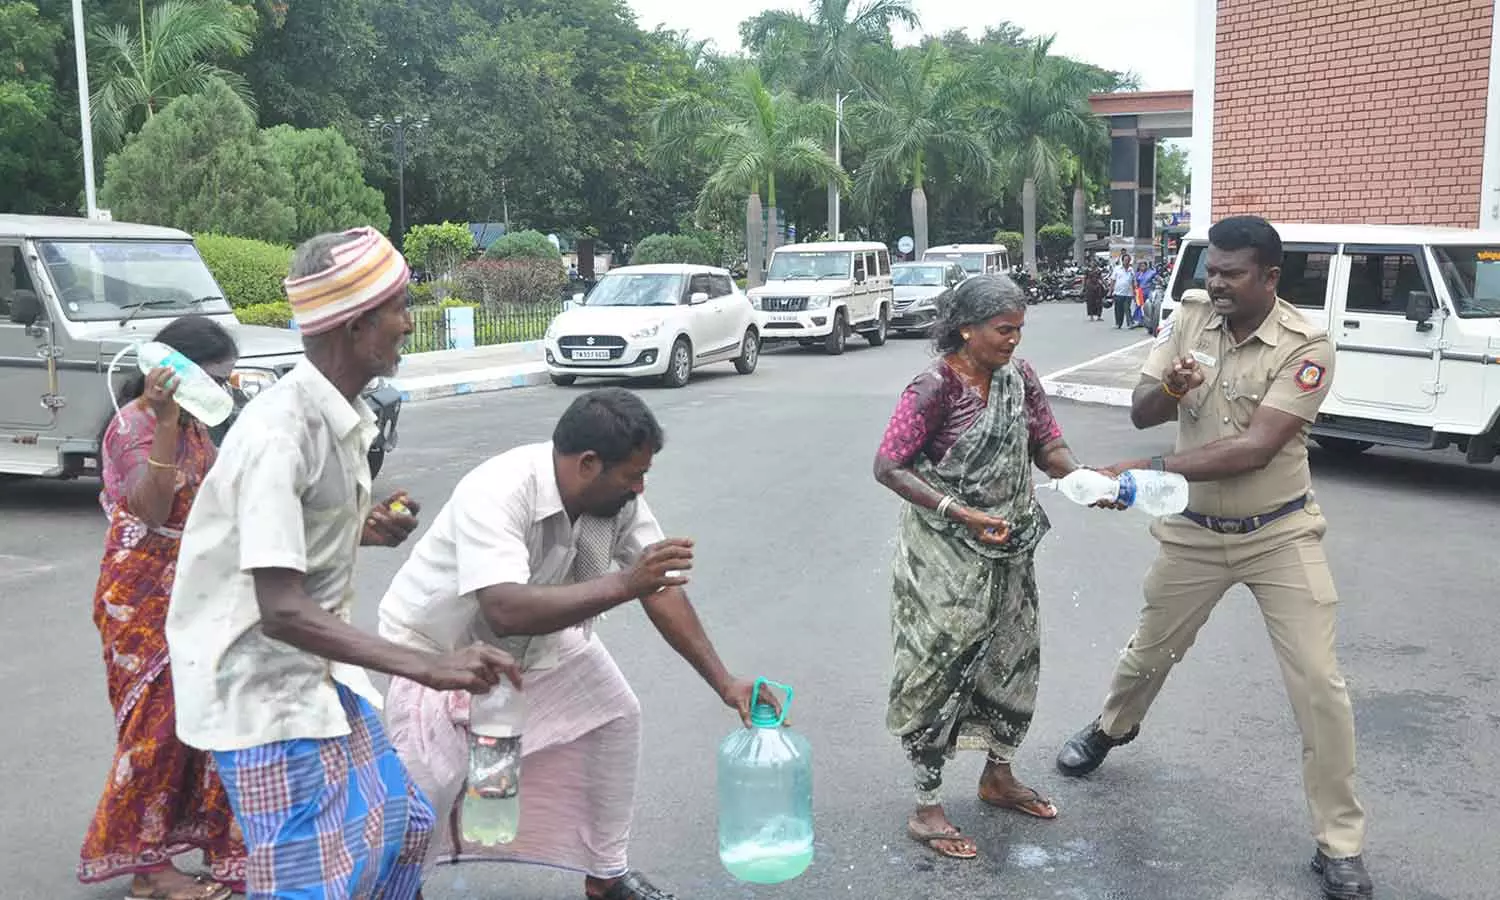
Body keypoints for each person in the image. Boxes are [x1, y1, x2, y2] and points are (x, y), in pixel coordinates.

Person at [165, 227, 522, 900]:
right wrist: (432, 665)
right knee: (311, 883)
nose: (408, 324)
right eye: (398, 307)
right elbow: (280, 610)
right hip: (264, 694)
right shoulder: (279, 434)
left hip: (321, 676)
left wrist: (360, 527)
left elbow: (284, 535)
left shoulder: (339, 416)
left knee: (405, 828)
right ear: (356, 325)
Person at [1054, 216, 1373, 900]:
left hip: (1279, 534)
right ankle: (1111, 728)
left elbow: (1255, 448)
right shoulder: (1191, 319)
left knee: (1319, 685)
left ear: (1269, 277)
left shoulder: (1305, 344)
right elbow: (1142, 412)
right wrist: (1170, 388)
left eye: (1232, 273)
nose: (1215, 282)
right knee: (1149, 652)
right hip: (1195, 532)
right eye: (1212, 270)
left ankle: (1339, 844)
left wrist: (1135, 472)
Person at [380, 387, 773, 900]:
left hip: (534, 647)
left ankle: (606, 876)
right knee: (427, 788)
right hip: (437, 653)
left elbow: (656, 585)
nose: (641, 487)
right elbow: (503, 608)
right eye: (634, 474)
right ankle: (395, 889)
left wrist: (725, 682)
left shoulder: (615, 501)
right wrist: (626, 583)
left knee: (615, 715)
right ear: (589, 464)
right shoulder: (500, 489)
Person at [873, 275, 1108, 860]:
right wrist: (961, 511)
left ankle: (997, 776)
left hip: (1010, 547)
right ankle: (927, 805)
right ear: (966, 329)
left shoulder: (1019, 379)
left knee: (1014, 659)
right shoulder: (933, 387)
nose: (1014, 341)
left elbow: (1046, 444)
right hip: (943, 556)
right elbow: (888, 466)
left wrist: (1077, 476)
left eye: (1019, 330)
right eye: (1005, 331)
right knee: (938, 665)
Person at [79, 316, 247, 900]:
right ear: (175, 373)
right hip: (140, 597)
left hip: (195, 587)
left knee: (202, 721)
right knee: (155, 730)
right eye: (215, 378)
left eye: (227, 380)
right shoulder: (135, 426)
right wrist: (169, 420)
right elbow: (152, 509)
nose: (223, 390)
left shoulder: (201, 428)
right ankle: (149, 870)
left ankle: (204, 849)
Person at [1111, 254, 1135, 328]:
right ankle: (1118, 323)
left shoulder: (1131, 270)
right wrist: (1110, 290)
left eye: (1128, 260)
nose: (1126, 262)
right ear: (1122, 261)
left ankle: (1130, 323)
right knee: (1118, 309)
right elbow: (1113, 280)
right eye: (1125, 260)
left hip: (1128, 293)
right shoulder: (1117, 269)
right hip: (1118, 292)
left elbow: (1134, 281)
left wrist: (1135, 291)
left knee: (1127, 308)